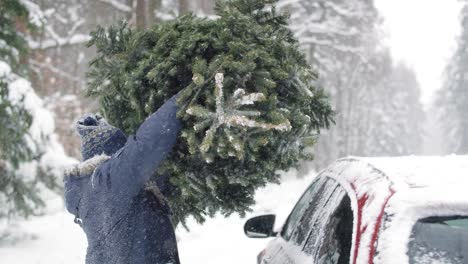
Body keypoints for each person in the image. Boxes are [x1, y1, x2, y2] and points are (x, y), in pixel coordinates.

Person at [63, 94, 182, 264]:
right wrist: (180, 100)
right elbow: (148, 143)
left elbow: (139, 209)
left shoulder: (91, 193)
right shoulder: (111, 178)